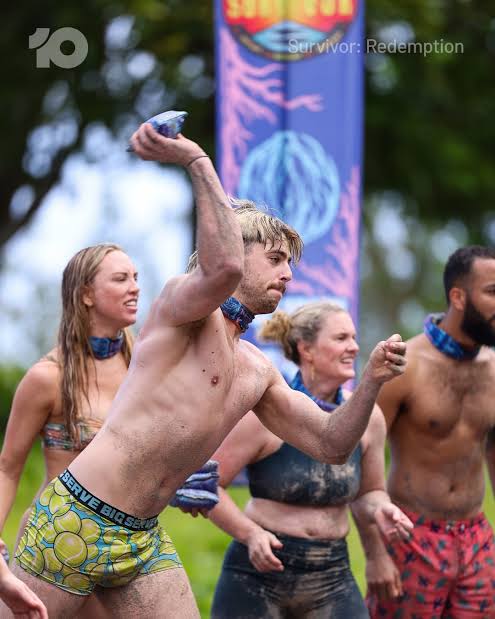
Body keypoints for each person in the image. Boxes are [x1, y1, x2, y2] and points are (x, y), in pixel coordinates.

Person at [6, 123, 406, 619]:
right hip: (77, 518)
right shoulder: (183, 309)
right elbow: (222, 272)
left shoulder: (257, 369)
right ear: (237, 250)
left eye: (290, 264)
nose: (288, 274)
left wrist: (371, 381)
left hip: (142, 537)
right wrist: (197, 162)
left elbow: (331, 443)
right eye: (275, 259)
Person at [208, 302, 413, 618]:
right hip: (260, 573)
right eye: (341, 338)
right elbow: (208, 485)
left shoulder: (369, 417)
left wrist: (381, 509)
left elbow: (370, 492)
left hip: (332, 573)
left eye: (354, 338)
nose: (354, 347)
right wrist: (250, 534)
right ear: (306, 349)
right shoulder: (266, 413)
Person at [0, 243, 139, 618]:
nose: (135, 287)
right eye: (121, 278)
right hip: (57, 538)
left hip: (127, 542)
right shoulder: (48, 377)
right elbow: (7, 468)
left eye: (136, 277)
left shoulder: (142, 368)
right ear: (87, 294)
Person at [362, 245, 495, 618]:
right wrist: (374, 554)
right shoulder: (404, 366)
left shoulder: (494, 369)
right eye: (492, 292)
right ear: (458, 297)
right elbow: (360, 458)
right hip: (410, 534)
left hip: (476, 538)